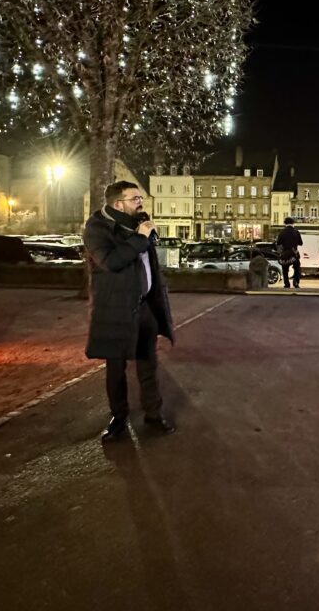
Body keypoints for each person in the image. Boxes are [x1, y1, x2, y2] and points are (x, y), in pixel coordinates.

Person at [83, 181, 175, 442]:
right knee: (116, 367)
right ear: (117, 204)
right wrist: (140, 237)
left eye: (140, 198)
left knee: (148, 364)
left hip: (144, 305)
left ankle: (154, 415)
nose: (140, 203)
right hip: (115, 308)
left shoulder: (138, 224)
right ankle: (119, 418)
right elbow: (111, 262)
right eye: (135, 199)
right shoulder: (97, 228)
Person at [276, 217, 303, 289]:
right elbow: (301, 243)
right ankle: (296, 282)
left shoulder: (282, 232)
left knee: (285, 269)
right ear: (293, 223)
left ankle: (286, 284)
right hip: (294, 253)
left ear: (285, 223)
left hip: (285, 253)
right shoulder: (296, 232)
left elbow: (278, 243)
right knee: (297, 267)